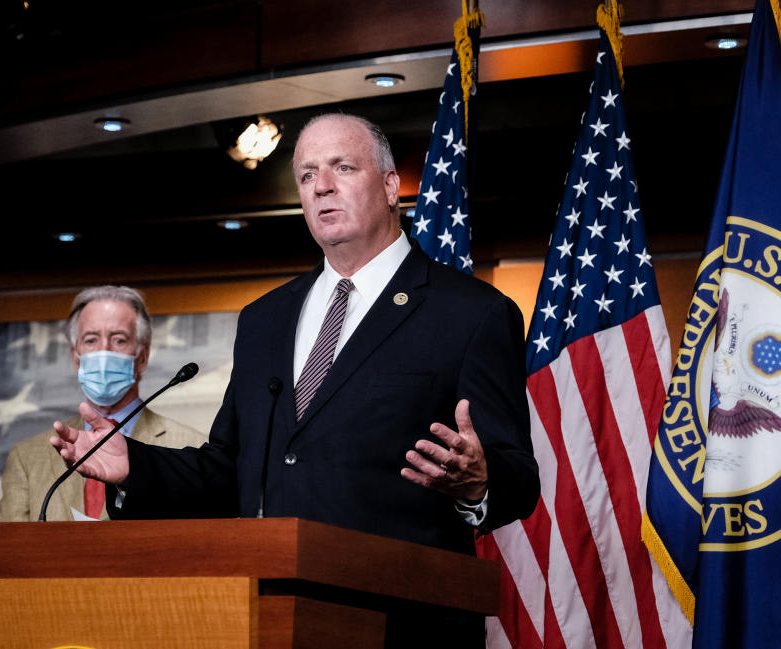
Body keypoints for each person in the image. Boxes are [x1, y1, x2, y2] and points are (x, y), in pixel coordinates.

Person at [51, 114, 539, 643]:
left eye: (342, 167)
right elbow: (228, 469)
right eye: (307, 175)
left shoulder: (470, 313)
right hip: (274, 617)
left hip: (406, 625)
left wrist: (479, 480)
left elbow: (518, 476)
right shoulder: (266, 318)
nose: (321, 185)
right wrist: (135, 465)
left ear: (391, 185)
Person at [0, 285, 206, 522]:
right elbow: (8, 551)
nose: (103, 351)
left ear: (142, 358)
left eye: (119, 340)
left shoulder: (195, 448)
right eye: (91, 340)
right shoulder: (26, 458)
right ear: (76, 358)